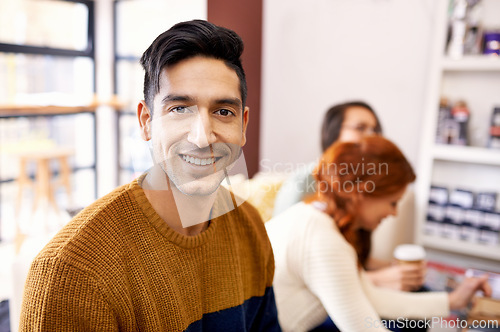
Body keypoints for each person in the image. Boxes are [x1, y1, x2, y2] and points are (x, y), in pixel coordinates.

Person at [20, 20, 280, 331]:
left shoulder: (249, 226)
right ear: (146, 121)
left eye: (223, 112)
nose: (202, 137)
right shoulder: (73, 272)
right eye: (180, 109)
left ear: (243, 126)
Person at [265, 136, 491, 332]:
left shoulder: (312, 216)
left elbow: (371, 297)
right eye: (392, 202)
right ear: (361, 193)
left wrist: (453, 301)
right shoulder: (324, 240)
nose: (393, 213)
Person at [273, 101, 424, 293]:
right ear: (332, 134)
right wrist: (376, 280)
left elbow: (352, 256)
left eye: (375, 129)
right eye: (361, 128)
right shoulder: (301, 186)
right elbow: (293, 265)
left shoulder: (367, 186)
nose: (372, 136)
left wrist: (392, 268)